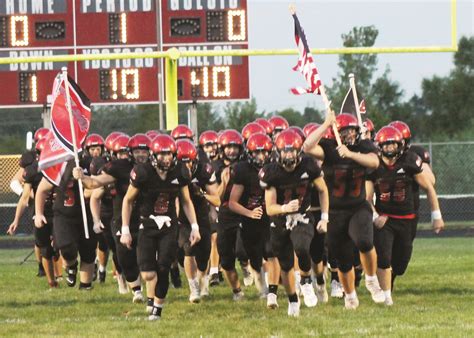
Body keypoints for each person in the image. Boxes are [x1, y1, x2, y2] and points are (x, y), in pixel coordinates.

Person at [304, 111, 385, 310]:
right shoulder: (329, 149)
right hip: (335, 211)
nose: (349, 135)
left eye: (352, 131)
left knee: (365, 241)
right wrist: (325, 124)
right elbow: (307, 146)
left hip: (358, 206)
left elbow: (375, 162)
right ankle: (350, 295)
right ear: (336, 133)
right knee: (343, 259)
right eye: (345, 131)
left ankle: (372, 279)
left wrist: (350, 154)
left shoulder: (364, 145)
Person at [120, 134, 201, 321]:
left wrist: (195, 226)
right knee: (148, 272)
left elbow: (186, 201)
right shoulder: (143, 172)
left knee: (164, 267)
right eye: (162, 155)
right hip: (147, 224)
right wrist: (125, 229)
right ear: (154, 156)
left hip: (169, 225)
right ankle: (151, 297)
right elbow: (128, 200)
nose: (166, 158)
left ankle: (157, 307)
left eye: (169, 154)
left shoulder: (180, 172)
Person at [367, 126, 444, 305]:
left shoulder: (409, 161)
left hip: (407, 219)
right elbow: (367, 197)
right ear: (379, 146)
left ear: (401, 144)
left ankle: (390, 280)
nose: (389, 149)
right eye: (386, 146)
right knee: (384, 257)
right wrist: (374, 216)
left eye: (393, 145)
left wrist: (436, 215)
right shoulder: (374, 165)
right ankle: (387, 297)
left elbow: (429, 187)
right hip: (385, 218)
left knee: (400, 264)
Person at [260, 129, 329, 316]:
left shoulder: (309, 166)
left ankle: (306, 281)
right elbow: (269, 207)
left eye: (292, 150)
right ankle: (292, 300)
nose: (288, 154)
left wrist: (324, 217)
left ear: (299, 151)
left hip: (302, 216)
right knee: (286, 265)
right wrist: (284, 209)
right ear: (278, 152)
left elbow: (323, 190)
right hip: (280, 220)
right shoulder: (271, 172)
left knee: (301, 247)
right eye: (285, 150)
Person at [73, 134, 149, 305]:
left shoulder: (157, 167)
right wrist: (83, 177)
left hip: (149, 217)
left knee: (148, 257)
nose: (141, 155)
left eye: (144, 151)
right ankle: (136, 290)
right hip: (123, 217)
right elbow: (94, 184)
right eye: (137, 151)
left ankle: (151, 291)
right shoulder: (121, 167)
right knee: (123, 256)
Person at [229, 133, 281, 307]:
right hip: (249, 218)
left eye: (264, 152)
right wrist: (249, 213)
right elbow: (232, 203)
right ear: (249, 153)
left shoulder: (275, 167)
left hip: (269, 216)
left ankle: (271, 291)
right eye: (256, 153)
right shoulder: (242, 170)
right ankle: (263, 287)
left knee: (271, 251)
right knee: (253, 258)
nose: (261, 157)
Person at [7, 137, 57, 288]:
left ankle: (64, 271)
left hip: (59, 210)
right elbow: (24, 197)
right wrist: (16, 220)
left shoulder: (59, 165)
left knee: (60, 243)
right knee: (45, 248)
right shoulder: (32, 170)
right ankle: (51, 282)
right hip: (39, 211)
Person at [176, 139, 220, 303]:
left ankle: (204, 282)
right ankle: (193, 287)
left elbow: (217, 200)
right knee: (188, 250)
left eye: (189, 162)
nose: (186, 167)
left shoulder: (204, 170)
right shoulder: (173, 172)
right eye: (182, 163)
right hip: (183, 219)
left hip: (202, 217)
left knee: (203, 257)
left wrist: (202, 194)